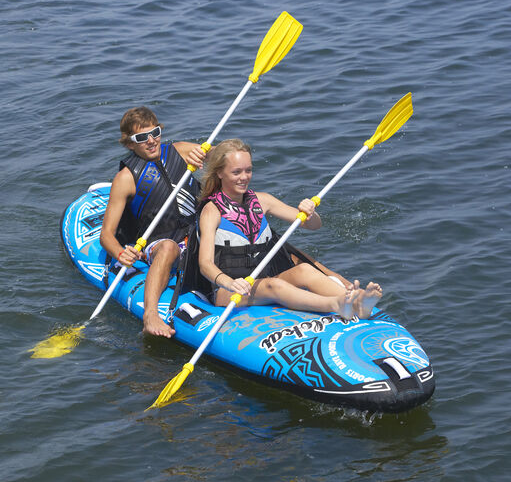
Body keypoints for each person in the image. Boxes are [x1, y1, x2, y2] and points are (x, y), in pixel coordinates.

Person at [196, 138, 383, 319]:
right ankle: (337, 304)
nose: (244, 177)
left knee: (305, 271)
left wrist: (309, 213)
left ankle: (358, 302)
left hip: (264, 282)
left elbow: (314, 226)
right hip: (227, 292)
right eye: (236, 172)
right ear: (220, 173)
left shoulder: (263, 201)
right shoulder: (211, 212)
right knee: (274, 285)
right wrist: (229, 283)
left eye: (248, 170)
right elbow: (205, 264)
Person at [100, 106, 206, 337]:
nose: (151, 141)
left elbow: (224, 156)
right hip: (158, 241)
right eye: (141, 137)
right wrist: (120, 253)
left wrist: (210, 156)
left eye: (155, 133)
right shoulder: (125, 178)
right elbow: (106, 235)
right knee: (168, 247)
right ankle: (150, 316)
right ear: (130, 144)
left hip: (197, 233)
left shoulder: (180, 151)